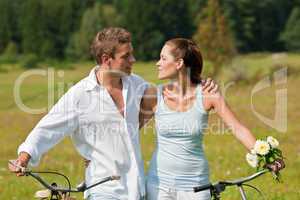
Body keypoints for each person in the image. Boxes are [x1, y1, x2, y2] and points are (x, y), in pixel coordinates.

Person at [9, 28, 218, 200]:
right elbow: (47, 128)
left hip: (137, 189)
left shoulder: (137, 86)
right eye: (126, 56)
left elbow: (175, 94)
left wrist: (201, 84)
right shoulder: (80, 95)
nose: (133, 60)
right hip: (102, 188)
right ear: (106, 59)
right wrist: (24, 156)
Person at [138, 38, 284, 200]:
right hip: (159, 186)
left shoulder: (208, 94)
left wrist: (268, 156)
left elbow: (238, 128)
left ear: (179, 63)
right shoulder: (154, 96)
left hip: (195, 185)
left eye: (163, 58)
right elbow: (129, 131)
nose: (158, 63)